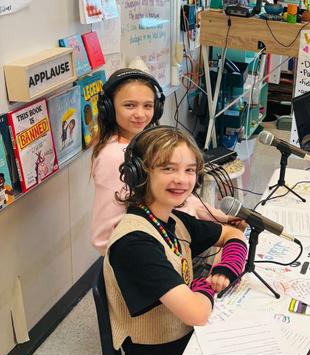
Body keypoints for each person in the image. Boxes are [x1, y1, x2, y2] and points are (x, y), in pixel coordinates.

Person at [103, 126, 248, 355]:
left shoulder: (173, 219)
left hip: (187, 335)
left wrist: (226, 267)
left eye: (189, 170)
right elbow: (197, 313)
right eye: (168, 168)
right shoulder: (134, 243)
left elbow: (233, 234)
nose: (181, 179)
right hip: (161, 351)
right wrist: (204, 285)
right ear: (140, 173)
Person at [90, 68, 237, 258]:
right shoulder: (114, 156)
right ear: (109, 108)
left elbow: (183, 198)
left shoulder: (145, 144)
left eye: (148, 106)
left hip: (166, 242)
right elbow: (103, 237)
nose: (140, 114)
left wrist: (220, 217)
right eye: (129, 105)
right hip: (145, 256)